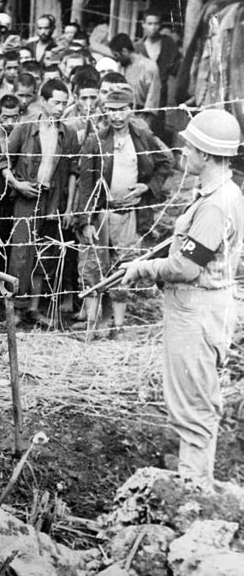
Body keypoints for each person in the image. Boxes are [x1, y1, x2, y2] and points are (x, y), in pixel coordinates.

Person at [123, 109, 243, 486]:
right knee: (197, 400)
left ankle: (193, 489)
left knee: (193, 406)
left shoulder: (214, 205)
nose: (183, 153)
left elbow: (188, 268)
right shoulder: (222, 193)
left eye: (188, 147)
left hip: (196, 308)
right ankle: (194, 480)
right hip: (204, 307)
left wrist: (146, 268)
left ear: (206, 154)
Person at [75, 87, 173, 339]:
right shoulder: (95, 140)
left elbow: (165, 162)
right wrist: (85, 220)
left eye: (122, 110)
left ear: (131, 109)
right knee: (92, 268)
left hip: (128, 214)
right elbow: (86, 183)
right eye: (111, 110)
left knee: (123, 267)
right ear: (104, 110)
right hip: (100, 214)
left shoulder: (143, 137)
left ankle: (117, 326)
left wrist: (147, 186)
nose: (116, 116)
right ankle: (92, 327)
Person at [1, 79, 79, 326]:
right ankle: (15, 308)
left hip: (52, 201)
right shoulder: (25, 128)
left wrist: (68, 208)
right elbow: (4, 162)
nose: (60, 108)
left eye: (64, 103)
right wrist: (17, 184)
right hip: (26, 198)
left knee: (45, 255)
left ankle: (34, 309)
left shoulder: (68, 133)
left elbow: (72, 173)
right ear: (43, 101)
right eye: (56, 102)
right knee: (20, 254)